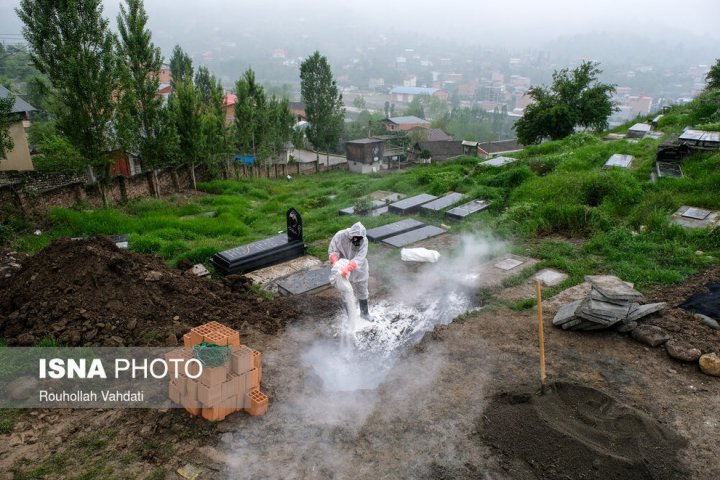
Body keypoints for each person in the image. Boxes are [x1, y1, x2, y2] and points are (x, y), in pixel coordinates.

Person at [328, 222, 371, 319]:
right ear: (351, 235)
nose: (357, 240)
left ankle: (364, 313)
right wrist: (335, 262)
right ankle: (350, 317)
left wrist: (349, 268)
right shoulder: (340, 236)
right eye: (355, 238)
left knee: (362, 289)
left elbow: (360, 258)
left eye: (359, 239)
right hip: (342, 267)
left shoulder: (364, 241)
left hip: (359, 269)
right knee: (345, 290)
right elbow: (333, 250)